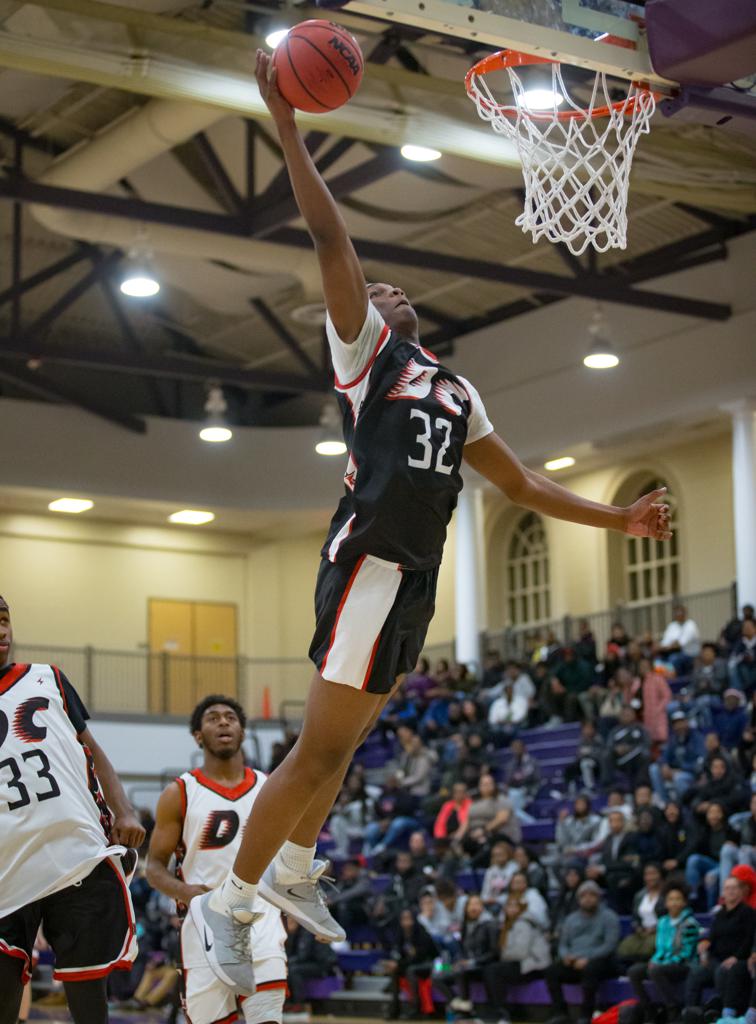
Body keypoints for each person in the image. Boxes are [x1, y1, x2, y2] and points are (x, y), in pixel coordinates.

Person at [191, 49, 674, 994]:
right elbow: (334, 246)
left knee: (347, 747)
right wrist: (286, 123)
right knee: (317, 750)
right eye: (379, 294)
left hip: (414, 576)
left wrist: (619, 518)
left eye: (398, 292)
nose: (390, 291)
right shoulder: (367, 360)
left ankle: (291, 873)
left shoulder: (456, 388)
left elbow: (525, 485)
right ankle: (233, 905)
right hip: (369, 562)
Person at [0, 595, 144, 1024]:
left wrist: (124, 811)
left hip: (73, 856)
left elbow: (94, 752)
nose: (2, 631)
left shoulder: (48, 678)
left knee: (87, 1000)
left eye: (4, 620)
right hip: (8, 868)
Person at [146, 695, 287, 1024]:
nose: (223, 722)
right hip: (203, 926)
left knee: (266, 1017)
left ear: (242, 731)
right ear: (198, 735)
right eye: (212, 718)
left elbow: (284, 857)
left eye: (231, 717)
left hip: (260, 920)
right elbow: (154, 868)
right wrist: (184, 893)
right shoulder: (179, 792)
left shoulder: (270, 788)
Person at [544, 880, 621, 1024]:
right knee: (551, 971)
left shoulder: (609, 917)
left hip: (601, 962)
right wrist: (565, 956)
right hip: (574, 961)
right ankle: (561, 1013)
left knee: (591, 969)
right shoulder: (571, 919)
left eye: (592, 895)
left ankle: (586, 1015)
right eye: (584, 895)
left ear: (598, 897)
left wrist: (587, 958)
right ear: (579, 899)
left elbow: (610, 945)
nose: (588, 898)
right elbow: (563, 944)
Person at [626, 881, 699, 1021]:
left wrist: (662, 964)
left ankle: (673, 1008)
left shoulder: (690, 924)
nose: (674, 902)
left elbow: (686, 953)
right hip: (664, 963)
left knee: (656, 970)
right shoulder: (663, 922)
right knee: (634, 971)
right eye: (671, 899)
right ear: (665, 903)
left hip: (683, 964)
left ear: (684, 903)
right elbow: (660, 948)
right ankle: (649, 1009)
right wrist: (654, 960)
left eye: (678, 899)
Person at [685, 875, 756, 1013]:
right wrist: (705, 944)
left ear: (741, 891)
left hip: (738, 959)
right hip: (717, 959)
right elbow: (711, 936)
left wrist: (736, 957)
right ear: (723, 892)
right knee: (695, 972)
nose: (730, 891)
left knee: (721, 971)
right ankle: (690, 1012)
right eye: (727, 888)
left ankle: (726, 1011)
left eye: (734, 888)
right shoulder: (719, 914)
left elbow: (749, 939)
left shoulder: (748, 913)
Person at [483, 894, 551, 1024]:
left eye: (515, 906)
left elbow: (521, 952)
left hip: (535, 965)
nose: (512, 909)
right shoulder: (508, 925)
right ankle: (503, 1010)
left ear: (522, 908)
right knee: (490, 970)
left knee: (493, 971)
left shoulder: (523, 922)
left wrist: (502, 955)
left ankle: (502, 1013)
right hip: (524, 964)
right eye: (509, 906)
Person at [650, 711, 706, 803]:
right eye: (676, 724)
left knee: (679, 779)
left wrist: (681, 769)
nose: (679, 726)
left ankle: (683, 806)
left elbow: (700, 763)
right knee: (653, 769)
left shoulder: (696, 738)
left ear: (686, 722)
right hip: (674, 772)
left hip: (691, 774)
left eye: (681, 722)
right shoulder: (674, 738)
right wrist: (664, 765)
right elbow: (664, 756)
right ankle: (666, 803)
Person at [617, 862, 665, 963]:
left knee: (648, 948)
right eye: (647, 874)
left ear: (660, 875)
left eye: (653, 873)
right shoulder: (639, 895)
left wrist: (655, 928)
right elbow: (635, 918)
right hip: (642, 933)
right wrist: (638, 928)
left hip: (660, 932)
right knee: (623, 948)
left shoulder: (666, 894)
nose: (650, 877)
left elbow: (669, 916)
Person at [659, 604, 701, 676]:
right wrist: (663, 646)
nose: (678, 615)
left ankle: (674, 680)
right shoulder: (672, 625)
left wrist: (669, 646)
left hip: (690, 654)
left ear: (685, 613)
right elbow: (664, 643)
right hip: (672, 652)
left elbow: (680, 644)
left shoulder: (691, 625)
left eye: (680, 612)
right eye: (676, 613)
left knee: (674, 658)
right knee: (658, 660)